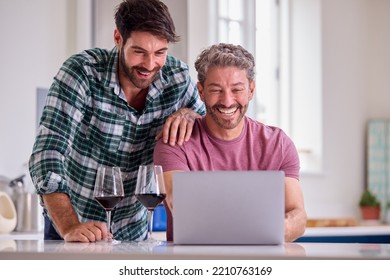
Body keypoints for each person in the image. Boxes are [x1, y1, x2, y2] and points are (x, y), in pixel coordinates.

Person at [28, 0, 205, 242]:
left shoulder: (178, 79)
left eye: (160, 53)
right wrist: (70, 226)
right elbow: (47, 153)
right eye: (139, 52)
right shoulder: (82, 72)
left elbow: (207, 134)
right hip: (72, 225)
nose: (150, 64)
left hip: (136, 233)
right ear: (118, 38)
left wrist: (191, 115)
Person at [154, 43, 307, 242]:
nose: (227, 101)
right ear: (201, 92)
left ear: (251, 90)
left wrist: (283, 227)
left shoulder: (278, 144)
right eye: (216, 90)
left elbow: (298, 215)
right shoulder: (175, 142)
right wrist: (256, 227)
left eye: (237, 90)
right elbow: (180, 205)